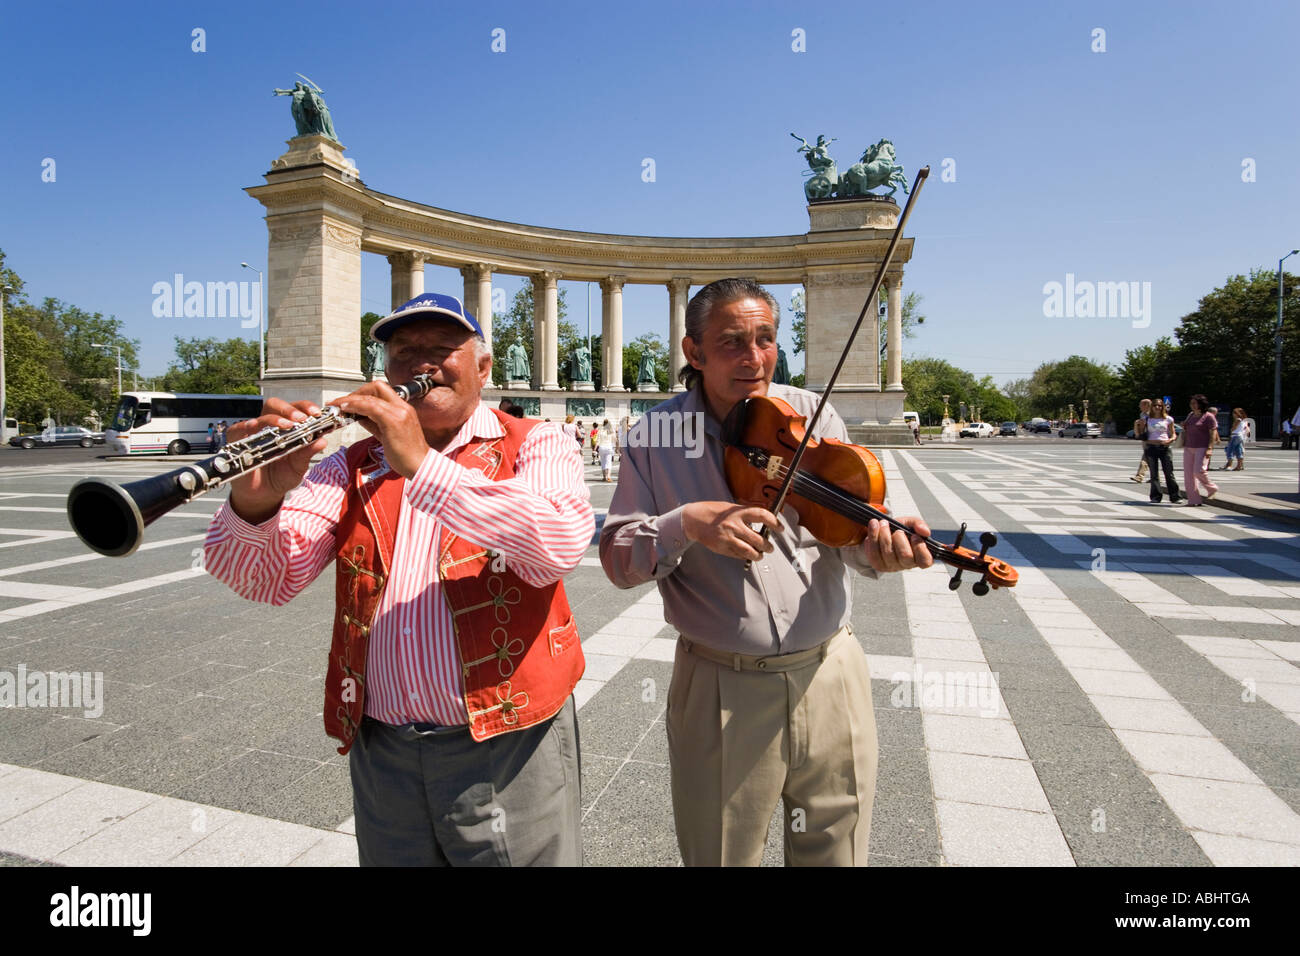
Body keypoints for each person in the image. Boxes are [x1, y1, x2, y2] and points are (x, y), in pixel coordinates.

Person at [202, 292, 592, 866]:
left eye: (442, 349)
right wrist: (254, 502)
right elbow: (267, 581)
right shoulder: (347, 464)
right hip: (383, 746)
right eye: (404, 352)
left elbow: (555, 547)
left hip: (508, 746)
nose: (422, 365)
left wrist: (423, 466)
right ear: (385, 372)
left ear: (482, 368)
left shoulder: (537, 441)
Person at [600, 278, 934, 867]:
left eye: (765, 339)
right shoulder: (653, 436)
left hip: (831, 673)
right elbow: (618, 558)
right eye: (732, 342)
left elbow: (845, 537)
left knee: (840, 851)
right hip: (722, 686)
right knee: (723, 855)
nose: (754, 358)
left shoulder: (811, 413)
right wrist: (685, 524)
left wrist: (879, 546)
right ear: (694, 352)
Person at [1181, 395, 1220, 506]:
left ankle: (1212, 488)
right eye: (1191, 403)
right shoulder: (1190, 415)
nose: (1192, 405)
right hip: (1189, 447)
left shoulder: (1209, 417)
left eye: (1194, 403)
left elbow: (1213, 433)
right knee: (1188, 475)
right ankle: (1193, 500)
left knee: (1198, 471)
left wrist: (1210, 448)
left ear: (1201, 404)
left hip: (1202, 447)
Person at [1142, 399, 1181, 504]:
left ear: (1162, 407)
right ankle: (1156, 496)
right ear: (1152, 407)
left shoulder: (1168, 419)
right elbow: (1141, 434)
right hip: (1151, 447)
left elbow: (1173, 433)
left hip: (1165, 447)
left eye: (1159, 405)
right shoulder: (1147, 419)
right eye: (1155, 405)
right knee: (1154, 474)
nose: (1157, 407)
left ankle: (1175, 496)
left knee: (1169, 472)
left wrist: (1171, 439)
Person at [1129, 399, 1151, 482]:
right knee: (1150, 458)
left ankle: (1139, 476)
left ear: (1146, 405)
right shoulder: (1142, 414)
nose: (1139, 406)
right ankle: (1155, 477)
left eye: (1141, 405)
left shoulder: (1153, 414)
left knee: (1146, 457)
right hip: (1145, 437)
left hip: (1152, 438)